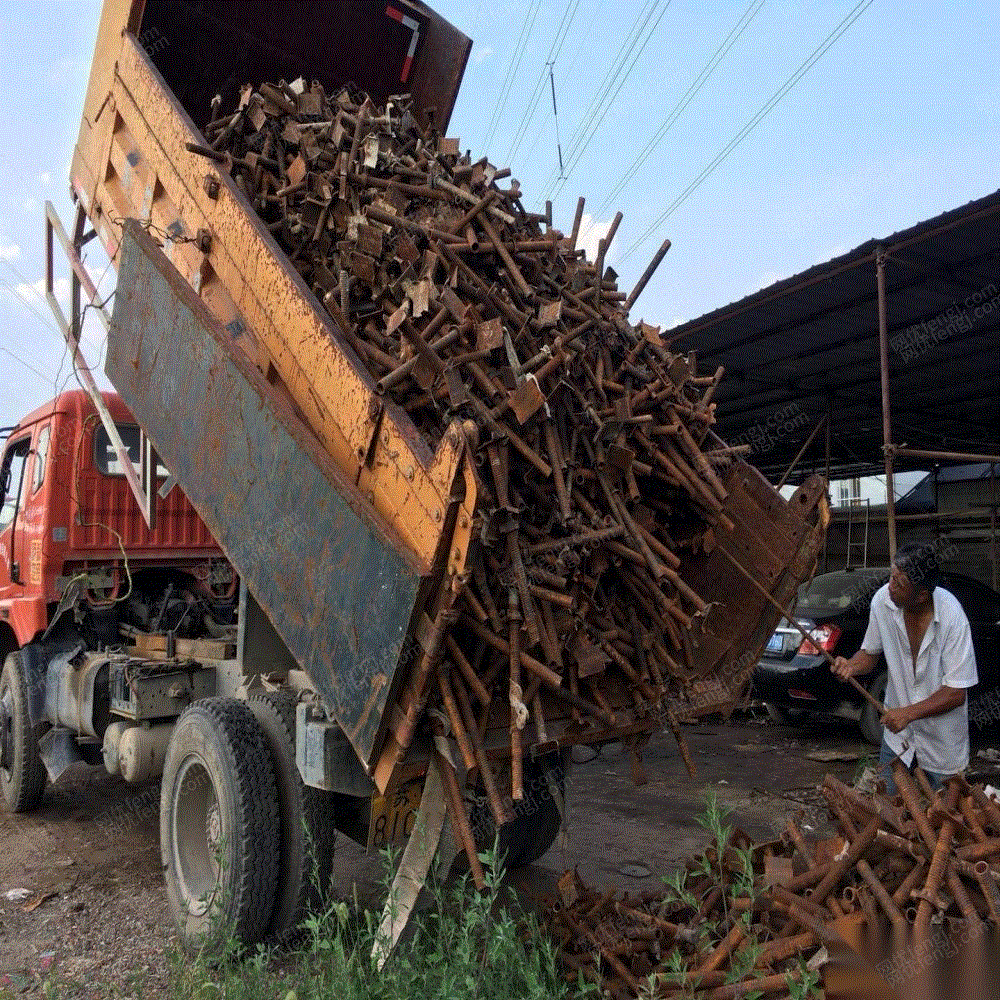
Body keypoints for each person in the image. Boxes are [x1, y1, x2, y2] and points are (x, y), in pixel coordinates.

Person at [831, 541, 977, 794]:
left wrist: (907, 713)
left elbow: (956, 692)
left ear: (921, 595)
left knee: (944, 821)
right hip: (898, 740)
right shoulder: (882, 602)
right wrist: (851, 666)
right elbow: (870, 653)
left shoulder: (953, 617)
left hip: (942, 744)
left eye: (899, 584)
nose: (890, 587)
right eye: (891, 576)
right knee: (889, 811)